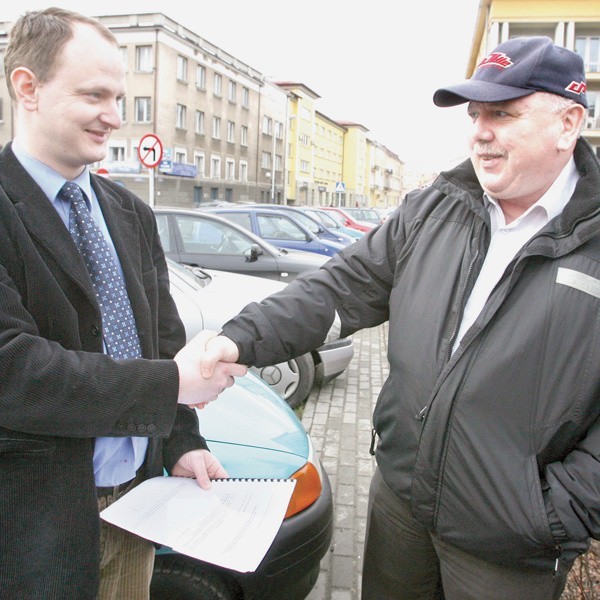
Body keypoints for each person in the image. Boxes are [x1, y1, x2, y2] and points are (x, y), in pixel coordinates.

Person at [201, 36, 600, 600]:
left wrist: (552, 516)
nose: (481, 131)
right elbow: (339, 289)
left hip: (511, 548)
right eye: (475, 114)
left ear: (568, 122)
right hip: (401, 509)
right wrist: (238, 340)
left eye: (504, 114)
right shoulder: (436, 207)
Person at [0, 8, 246, 600]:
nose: (114, 116)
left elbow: (159, 340)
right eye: (94, 95)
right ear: (27, 87)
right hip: (33, 533)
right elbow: (13, 369)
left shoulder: (128, 211)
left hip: (138, 512)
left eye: (120, 96)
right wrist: (170, 386)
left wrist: (182, 441)